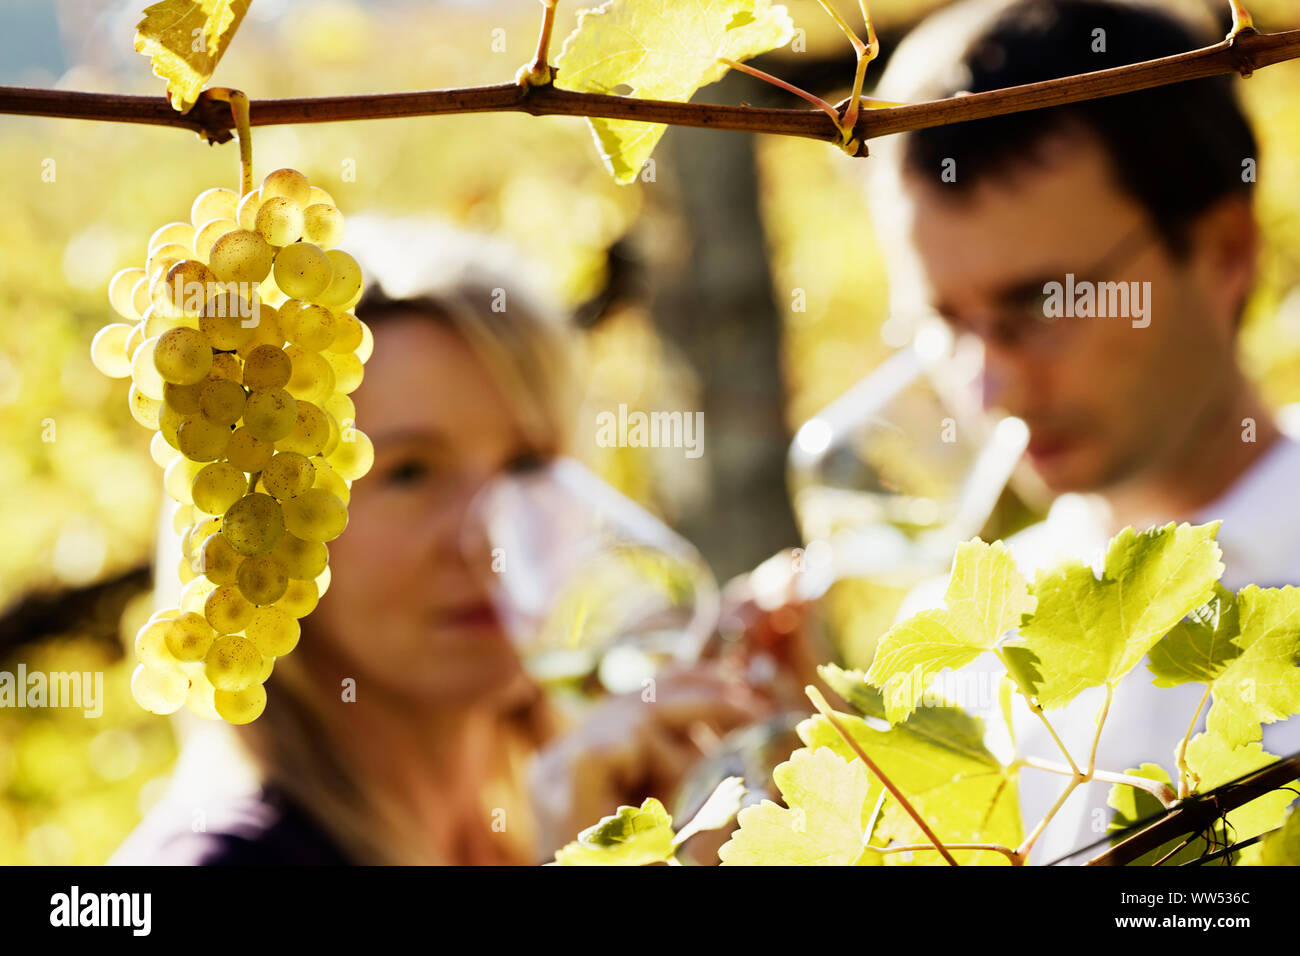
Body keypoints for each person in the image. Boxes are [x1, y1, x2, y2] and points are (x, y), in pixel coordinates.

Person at [110, 217, 771, 865]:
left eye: (525, 466)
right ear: (265, 522)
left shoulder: (565, 821)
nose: (485, 541)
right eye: (411, 473)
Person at [855, 0, 1300, 862]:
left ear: (1223, 254)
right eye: (944, 322)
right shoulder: (951, 658)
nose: (989, 383)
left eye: (1040, 304)